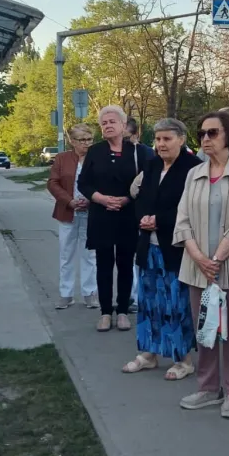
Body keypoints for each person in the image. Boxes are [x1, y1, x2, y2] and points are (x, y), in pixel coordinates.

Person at [173, 111, 229, 419]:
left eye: (213, 133)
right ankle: (208, 388)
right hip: (198, 268)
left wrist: (216, 259)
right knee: (205, 331)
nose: (205, 138)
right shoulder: (194, 174)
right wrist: (199, 258)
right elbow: (182, 221)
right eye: (202, 133)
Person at [122, 118, 199, 378]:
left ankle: (183, 360)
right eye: (157, 139)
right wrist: (143, 217)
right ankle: (148, 354)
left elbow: (191, 208)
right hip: (148, 244)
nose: (161, 144)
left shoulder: (193, 167)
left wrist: (160, 220)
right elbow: (141, 198)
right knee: (148, 302)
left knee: (175, 304)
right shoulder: (152, 164)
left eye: (167, 139)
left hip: (176, 247)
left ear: (181, 139)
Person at [78, 105, 153, 332]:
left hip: (127, 215)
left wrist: (127, 199)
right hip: (101, 215)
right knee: (103, 264)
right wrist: (100, 198)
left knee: (125, 264)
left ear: (123, 125)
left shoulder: (138, 151)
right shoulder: (95, 151)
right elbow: (83, 183)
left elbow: (147, 182)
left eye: (112, 122)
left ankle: (122, 311)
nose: (108, 126)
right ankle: (105, 312)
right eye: (104, 123)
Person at [47, 125, 99, 309]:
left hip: (91, 212)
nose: (86, 143)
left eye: (89, 139)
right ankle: (66, 294)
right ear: (72, 141)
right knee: (66, 254)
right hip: (67, 212)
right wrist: (69, 201)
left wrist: (91, 199)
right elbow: (53, 183)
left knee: (89, 255)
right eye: (82, 140)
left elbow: (104, 182)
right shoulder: (62, 158)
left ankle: (89, 294)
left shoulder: (97, 158)